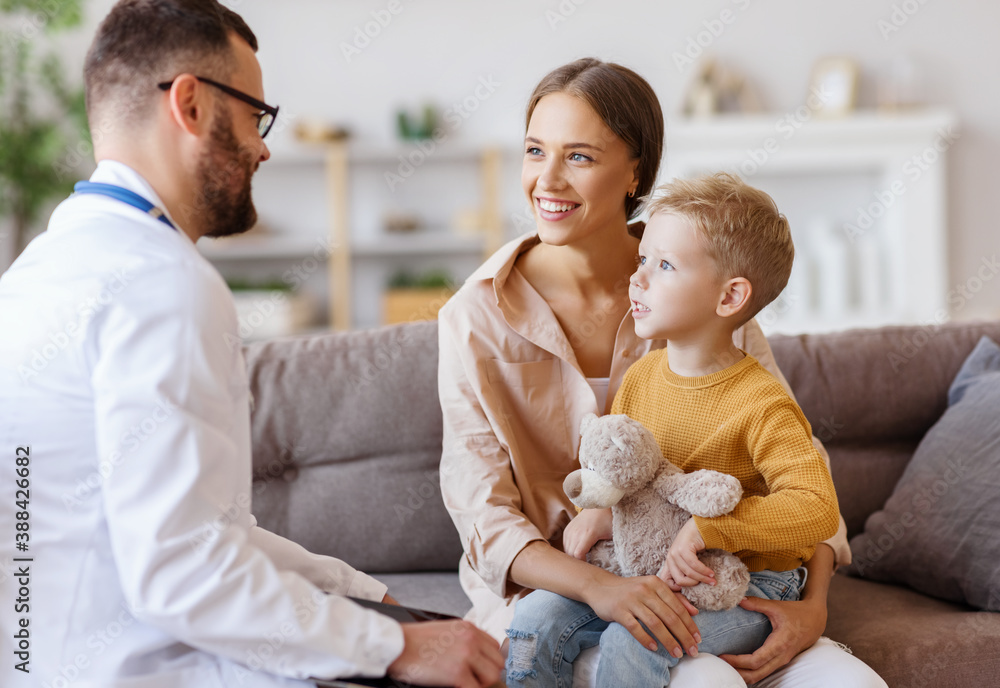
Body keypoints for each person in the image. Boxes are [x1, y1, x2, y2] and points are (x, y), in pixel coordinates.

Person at [0, 2, 501, 687]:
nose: (265, 146)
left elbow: (194, 532)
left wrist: (361, 593)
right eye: (254, 114)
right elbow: (183, 571)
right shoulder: (163, 283)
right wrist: (397, 646)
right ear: (192, 105)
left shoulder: (36, 273)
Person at [437, 57, 887, 687]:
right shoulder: (474, 317)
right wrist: (601, 588)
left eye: (580, 157)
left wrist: (812, 608)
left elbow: (794, 472)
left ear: (636, 172)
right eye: (535, 150)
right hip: (563, 591)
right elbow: (484, 516)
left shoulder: (701, 292)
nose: (547, 179)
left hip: (714, 577)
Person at [504, 172, 844, 687]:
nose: (637, 279)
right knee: (531, 622)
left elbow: (817, 508)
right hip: (653, 565)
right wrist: (598, 510)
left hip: (749, 581)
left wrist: (713, 529)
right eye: (644, 260)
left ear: (730, 297)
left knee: (633, 639)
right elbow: (632, 470)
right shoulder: (642, 377)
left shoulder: (763, 403)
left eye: (664, 266)